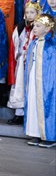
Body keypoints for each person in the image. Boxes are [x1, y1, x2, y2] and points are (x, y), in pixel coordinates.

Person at [24, 14, 56, 148]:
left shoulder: (51, 45)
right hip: (33, 78)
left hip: (46, 80)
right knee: (33, 103)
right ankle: (35, 133)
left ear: (47, 28)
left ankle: (49, 136)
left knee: (46, 104)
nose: (34, 28)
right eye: (34, 26)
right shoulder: (34, 43)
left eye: (38, 26)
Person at [7, 0, 41, 125]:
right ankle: (19, 114)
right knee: (20, 86)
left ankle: (31, 115)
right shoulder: (20, 27)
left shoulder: (39, 27)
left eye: (32, 12)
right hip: (21, 62)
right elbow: (15, 43)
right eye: (27, 12)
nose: (29, 15)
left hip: (34, 62)